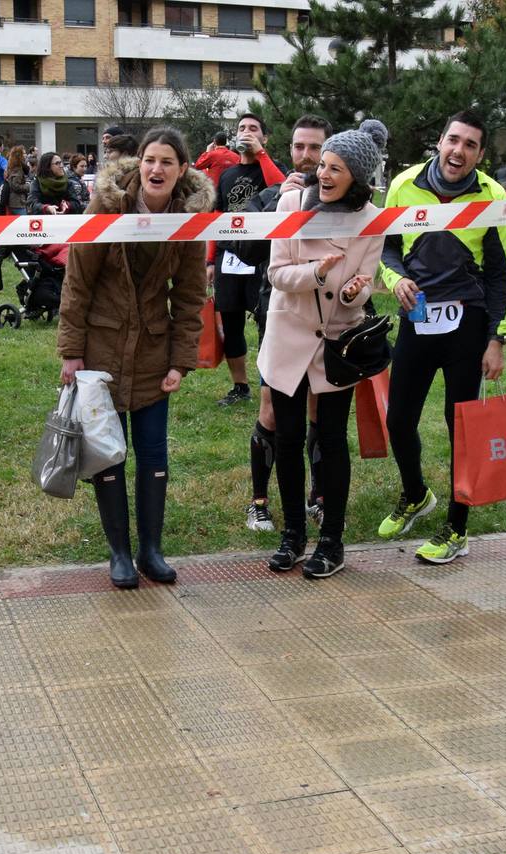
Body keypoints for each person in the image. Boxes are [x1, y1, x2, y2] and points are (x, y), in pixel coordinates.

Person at [57, 127, 215, 589]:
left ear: (182, 168)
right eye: (150, 159)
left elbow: (189, 297)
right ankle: (120, 553)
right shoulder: (106, 207)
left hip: (153, 349)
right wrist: (71, 351)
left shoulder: (188, 218)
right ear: (138, 163)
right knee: (107, 453)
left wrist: (179, 361)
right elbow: (77, 282)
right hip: (101, 348)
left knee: (152, 452)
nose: (156, 169)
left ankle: (151, 550)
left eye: (167, 161)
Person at [376, 109, 506, 564]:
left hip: (468, 324)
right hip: (418, 315)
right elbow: (386, 247)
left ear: (479, 153)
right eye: (453, 140)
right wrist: (394, 279)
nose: (459, 151)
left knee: (464, 429)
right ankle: (416, 495)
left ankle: (457, 528)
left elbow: (501, 274)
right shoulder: (404, 184)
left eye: (470, 145)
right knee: (398, 420)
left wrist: (498, 338)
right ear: (440, 139)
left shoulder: (492, 195)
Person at [259, 125, 387, 578]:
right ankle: (293, 533)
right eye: (325, 165)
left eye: (337, 168)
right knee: (288, 438)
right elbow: (277, 273)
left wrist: (354, 291)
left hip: (337, 343)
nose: (326, 173)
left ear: (357, 176)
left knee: (332, 441)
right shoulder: (292, 202)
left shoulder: (371, 218)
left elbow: (365, 281)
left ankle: (332, 540)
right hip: (289, 334)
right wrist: (316, 273)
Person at [228, 114, 333, 533]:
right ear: (289, 150)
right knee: (271, 407)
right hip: (279, 314)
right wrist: (277, 205)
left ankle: (318, 496)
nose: (306, 157)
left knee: (318, 408)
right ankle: (259, 501)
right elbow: (242, 246)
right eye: (299, 147)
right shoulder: (270, 193)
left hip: (329, 320)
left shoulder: (342, 199)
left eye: (315, 149)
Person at [209, 112, 286, 407]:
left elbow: (283, 191)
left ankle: (271, 382)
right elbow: (217, 217)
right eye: (241, 128)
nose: (246, 132)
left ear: (264, 137)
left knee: (267, 320)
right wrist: (210, 261)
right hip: (229, 256)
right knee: (231, 323)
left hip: (261, 257)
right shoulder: (227, 175)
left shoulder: (271, 167)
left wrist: (261, 154)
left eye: (253, 129)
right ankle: (240, 386)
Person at [3, 145, 30, 215]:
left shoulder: (13, 167)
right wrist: (28, 186)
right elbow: (15, 186)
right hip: (17, 203)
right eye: (23, 153)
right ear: (19, 156)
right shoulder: (17, 169)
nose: (26, 155)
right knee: (24, 223)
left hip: (15, 202)